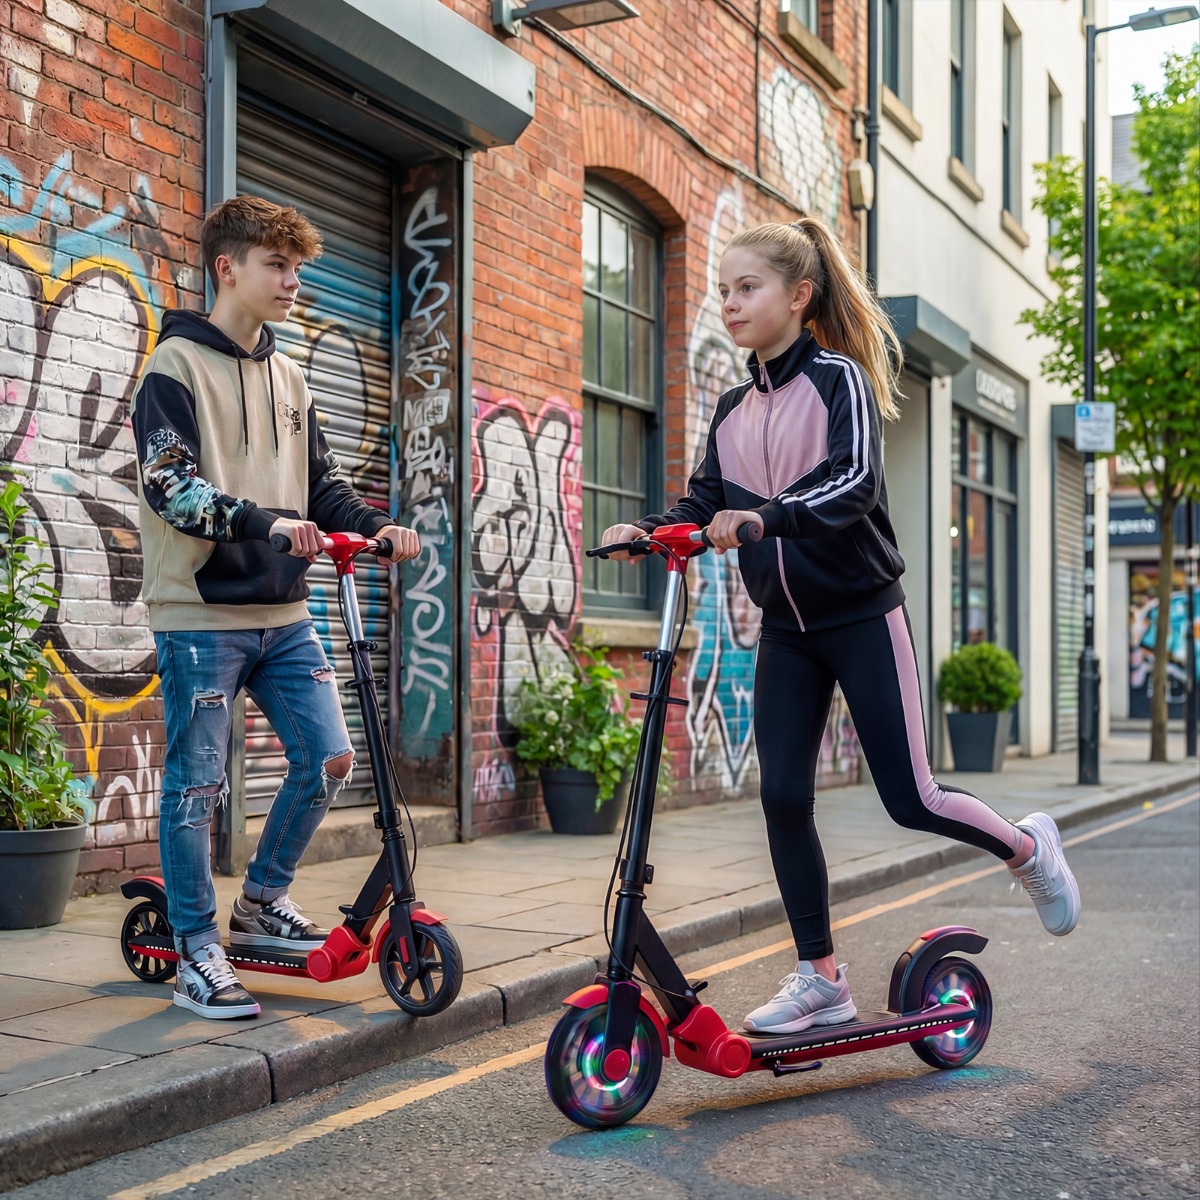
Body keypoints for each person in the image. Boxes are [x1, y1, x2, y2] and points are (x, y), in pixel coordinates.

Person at [602, 216, 1080, 1036]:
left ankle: (1028, 848)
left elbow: (853, 484)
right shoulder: (729, 408)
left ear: (799, 295)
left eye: (746, 287)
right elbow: (705, 501)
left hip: (861, 613)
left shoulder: (839, 381)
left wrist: (767, 521)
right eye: (723, 289)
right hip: (787, 628)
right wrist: (649, 530)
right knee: (783, 797)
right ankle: (820, 976)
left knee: (911, 796)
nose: (730, 302)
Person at [132, 195, 420, 1019]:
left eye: (297, 268)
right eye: (278, 266)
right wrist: (267, 523)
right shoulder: (173, 370)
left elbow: (322, 486)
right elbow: (172, 491)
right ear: (229, 268)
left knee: (329, 758)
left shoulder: (290, 375)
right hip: (200, 615)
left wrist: (374, 528)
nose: (294, 282)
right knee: (196, 788)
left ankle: (261, 898)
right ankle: (195, 950)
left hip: (286, 616)